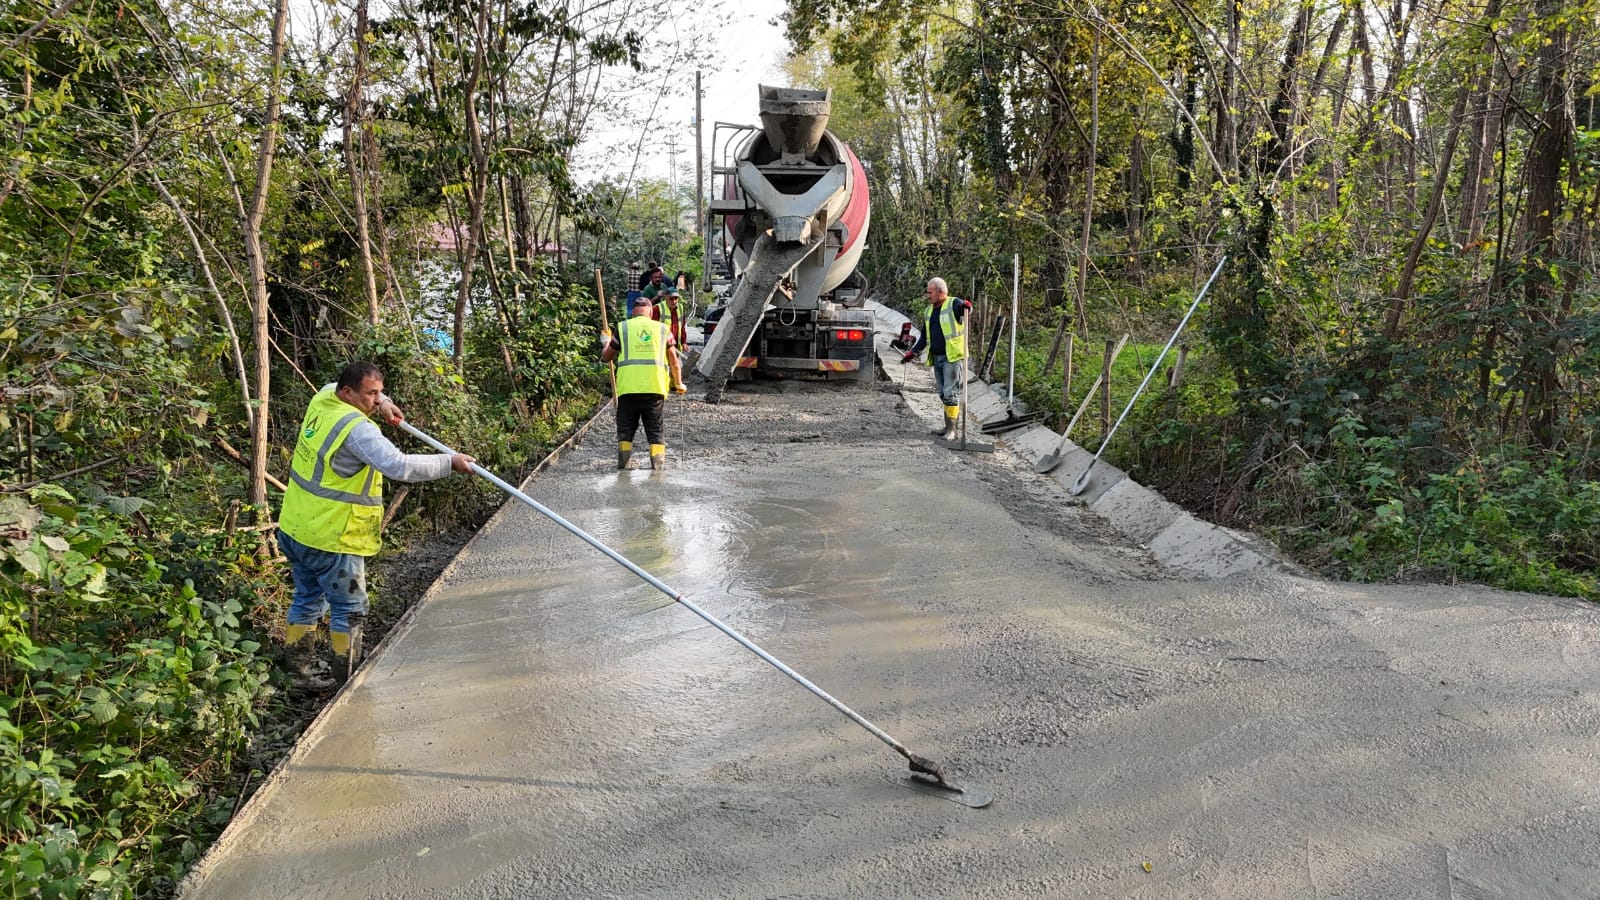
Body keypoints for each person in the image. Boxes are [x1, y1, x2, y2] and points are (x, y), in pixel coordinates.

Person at [276, 361, 474, 691]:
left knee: (308, 598)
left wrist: (383, 404)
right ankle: (346, 678)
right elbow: (397, 465)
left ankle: (299, 671)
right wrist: (449, 462)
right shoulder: (357, 430)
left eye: (379, 392)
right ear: (347, 392)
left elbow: (336, 386)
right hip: (332, 537)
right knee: (350, 608)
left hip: (296, 528)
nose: (376, 398)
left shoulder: (324, 398)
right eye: (371, 393)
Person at [600, 296, 686, 470]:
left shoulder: (623, 328)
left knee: (625, 430)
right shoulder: (663, 329)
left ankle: (623, 466)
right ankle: (658, 468)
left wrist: (606, 342)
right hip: (654, 389)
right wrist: (679, 384)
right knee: (655, 430)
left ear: (633, 312)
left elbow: (606, 356)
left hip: (627, 388)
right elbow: (674, 362)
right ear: (651, 312)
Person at [901, 277, 971, 439]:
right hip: (937, 357)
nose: (928, 295)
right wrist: (914, 352)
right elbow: (925, 336)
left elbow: (965, 310)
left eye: (930, 292)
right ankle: (947, 426)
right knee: (942, 393)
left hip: (953, 357)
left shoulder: (954, 304)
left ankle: (952, 430)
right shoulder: (929, 311)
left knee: (950, 392)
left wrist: (968, 307)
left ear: (940, 292)